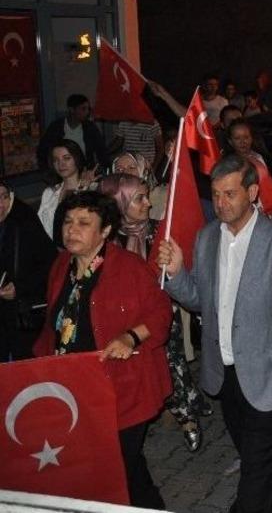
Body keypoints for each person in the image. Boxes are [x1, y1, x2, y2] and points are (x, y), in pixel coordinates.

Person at [156, 154, 272, 513]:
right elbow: (199, 301)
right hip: (224, 372)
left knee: (254, 473)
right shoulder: (206, 238)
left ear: (252, 192)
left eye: (230, 194)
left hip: (269, 373)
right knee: (257, 451)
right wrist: (177, 273)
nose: (221, 203)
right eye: (217, 194)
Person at [33, 191, 172, 508]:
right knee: (127, 471)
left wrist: (130, 337)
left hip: (124, 390)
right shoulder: (61, 266)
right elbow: (52, 325)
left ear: (106, 230)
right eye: (68, 222)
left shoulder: (127, 267)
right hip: (78, 389)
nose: (72, 230)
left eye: (84, 223)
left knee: (119, 468)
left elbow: (161, 312)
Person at [99, 173, 210, 453]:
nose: (148, 204)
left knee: (172, 365)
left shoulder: (160, 230)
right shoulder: (107, 239)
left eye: (147, 196)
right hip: (125, 321)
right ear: (119, 202)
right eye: (139, 199)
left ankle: (186, 416)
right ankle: (161, 407)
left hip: (160, 313)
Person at [0, 177, 57, 361]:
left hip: (21, 314)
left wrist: (19, 286)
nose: (0, 204)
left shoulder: (23, 222)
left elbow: (50, 262)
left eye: (3, 197)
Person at [38, 139, 92, 244]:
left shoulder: (91, 190)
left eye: (66, 158)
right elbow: (40, 227)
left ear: (77, 159)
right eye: (56, 160)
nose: (61, 164)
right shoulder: (49, 193)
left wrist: (83, 188)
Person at [36, 93, 109, 170]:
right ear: (71, 110)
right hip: (62, 172)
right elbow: (43, 151)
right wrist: (48, 172)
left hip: (85, 172)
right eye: (83, 109)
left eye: (88, 109)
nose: (87, 112)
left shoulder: (90, 128)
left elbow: (101, 151)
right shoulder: (56, 127)